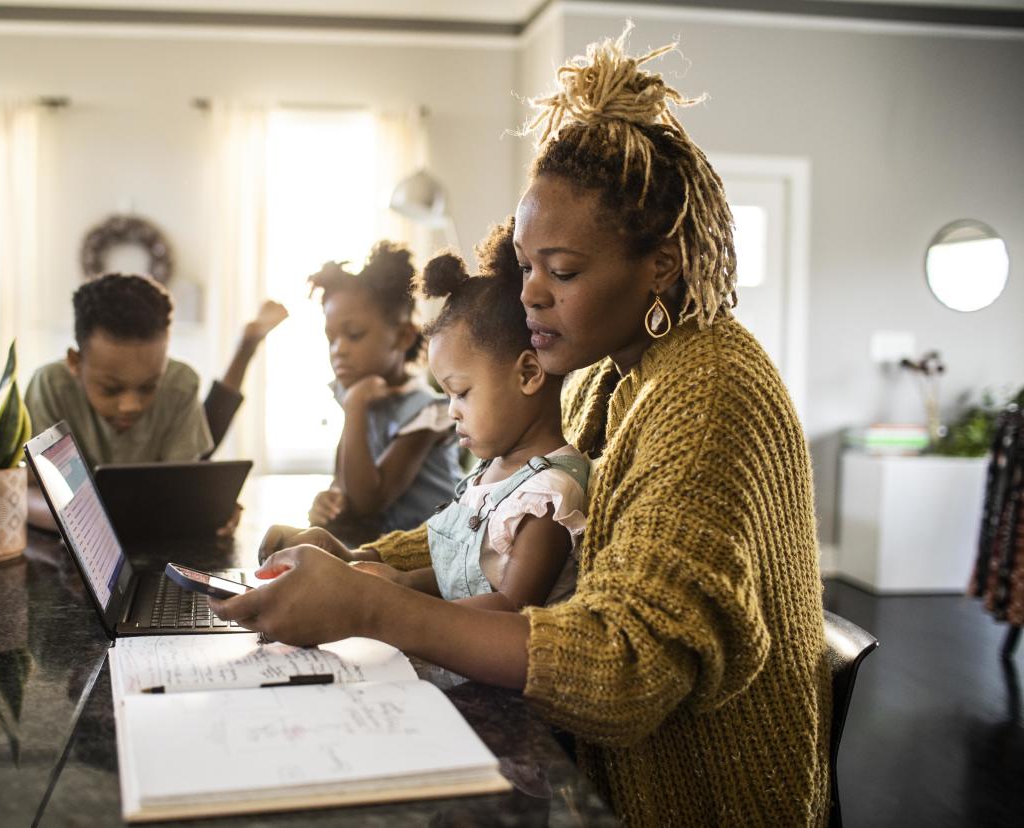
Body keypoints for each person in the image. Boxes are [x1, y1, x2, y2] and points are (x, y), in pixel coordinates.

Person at [214, 28, 829, 826]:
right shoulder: (610, 371)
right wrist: (358, 563)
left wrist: (373, 608)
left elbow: (626, 669)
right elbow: (494, 512)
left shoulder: (709, 394)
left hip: (692, 796)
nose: (531, 295)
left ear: (663, 267)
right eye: (528, 264)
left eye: (563, 271)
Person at [351, 222, 590, 612]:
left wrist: (392, 603)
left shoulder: (548, 495)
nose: (451, 411)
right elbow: (461, 575)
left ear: (528, 374)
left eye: (461, 393)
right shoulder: (490, 471)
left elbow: (508, 608)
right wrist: (401, 581)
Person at [25, 272, 286, 529]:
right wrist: (89, 521)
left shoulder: (180, 382)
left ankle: (246, 347)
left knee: (206, 443)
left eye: (149, 386)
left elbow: (183, 486)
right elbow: (23, 492)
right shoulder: (49, 385)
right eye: (111, 388)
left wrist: (207, 507)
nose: (131, 405)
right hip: (77, 544)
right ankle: (246, 346)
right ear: (75, 362)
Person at [306, 242, 462, 538]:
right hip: (380, 549)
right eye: (331, 338)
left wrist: (355, 407)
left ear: (402, 337)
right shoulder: (357, 396)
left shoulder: (427, 412)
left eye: (354, 335)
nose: (338, 350)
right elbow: (345, 486)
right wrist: (329, 501)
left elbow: (368, 502)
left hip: (433, 554)